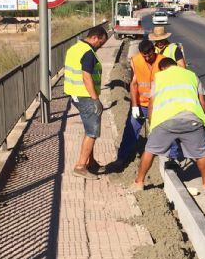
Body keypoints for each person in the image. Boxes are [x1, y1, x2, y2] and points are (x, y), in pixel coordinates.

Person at [132, 57, 205, 194]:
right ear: (175, 65)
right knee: (201, 153)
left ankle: (139, 182)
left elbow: (151, 104)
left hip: (166, 121)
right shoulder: (191, 75)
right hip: (191, 119)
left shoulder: (159, 77)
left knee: (150, 150)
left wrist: (152, 124)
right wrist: (203, 122)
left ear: (162, 68)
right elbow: (202, 102)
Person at [64, 25, 108, 179]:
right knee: (92, 132)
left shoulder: (75, 48)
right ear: (95, 37)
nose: (100, 47)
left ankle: (91, 162)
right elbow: (86, 77)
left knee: (90, 129)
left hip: (75, 94)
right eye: (101, 43)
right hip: (85, 96)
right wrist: (95, 99)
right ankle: (81, 166)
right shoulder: (88, 53)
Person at [116, 39, 164, 163]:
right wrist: (135, 106)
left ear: (154, 50)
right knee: (131, 129)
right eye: (144, 56)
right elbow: (133, 84)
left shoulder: (162, 61)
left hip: (158, 104)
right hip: (141, 104)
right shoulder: (136, 60)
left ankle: (171, 158)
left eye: (150, 55)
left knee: (165, 130)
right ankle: (122, 157)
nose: (147, 58)